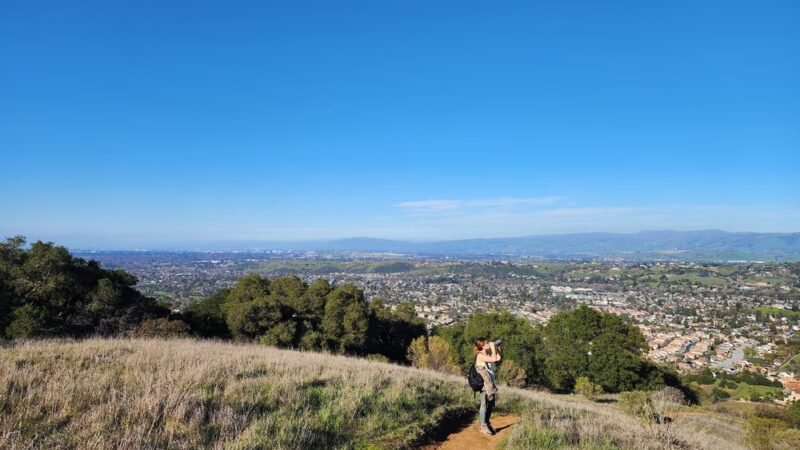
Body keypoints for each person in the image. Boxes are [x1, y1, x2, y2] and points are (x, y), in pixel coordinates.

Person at [474, 337, 500, 435]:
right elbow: (494, 358)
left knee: (490, 404)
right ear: (482, 346)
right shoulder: (480, 355)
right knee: (484, 404)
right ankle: (483, 426)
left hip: (490, 383)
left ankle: (487, 423)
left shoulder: (487, 353)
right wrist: (493, 347)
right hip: (484, 384)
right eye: (487, 343)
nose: (489, 344)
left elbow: (497, 358)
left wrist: (495, 348)